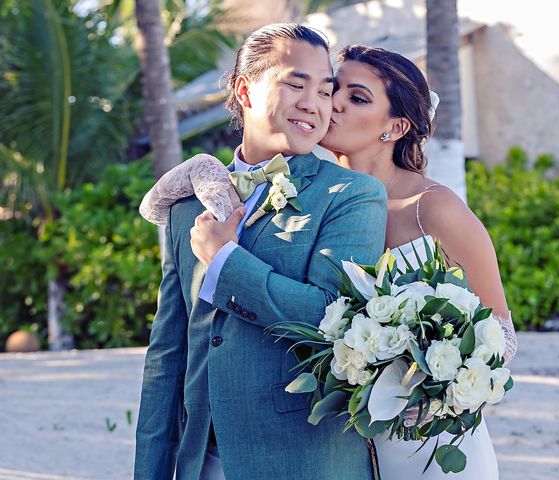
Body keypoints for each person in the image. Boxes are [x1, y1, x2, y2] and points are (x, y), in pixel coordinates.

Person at [141, 42, 518, 479]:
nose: (331, 104)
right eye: (331, 90)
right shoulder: (307, 195)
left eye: (355, 98)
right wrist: (200, 171)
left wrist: (436, 386)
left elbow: (501, 333)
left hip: (422, 437)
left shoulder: (432, 208)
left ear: (395, 126)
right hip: (342, 433)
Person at [134, 25, 387, 480]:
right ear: (244, 90)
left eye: (325, 90)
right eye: (295, 84)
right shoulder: (187, 204)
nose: (313, 103)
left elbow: (333, 318)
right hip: (203, 461)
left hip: (304, 461)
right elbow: (168, 353)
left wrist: (228, 263)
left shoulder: (351, 194)